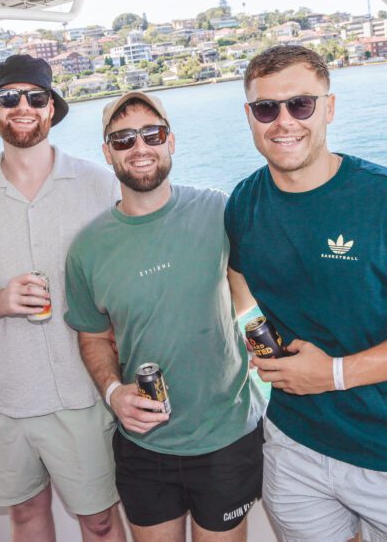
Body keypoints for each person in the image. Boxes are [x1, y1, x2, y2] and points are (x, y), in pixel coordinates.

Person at [225, 45, 387, 542]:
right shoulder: (245, 202)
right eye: (266, 108)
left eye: (301, 104)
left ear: (329, 108)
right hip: (293, 443)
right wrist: (255, 344)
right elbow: (239, 283)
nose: (283, 122)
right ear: (250, 116)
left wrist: (332, 374)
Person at [0, 54, 124, 542]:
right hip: (4, 393)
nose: (24, 107)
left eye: (36, 97)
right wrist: (0, 299)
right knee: (24, 515)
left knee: (100, 521)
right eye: (9, 97)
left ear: (52, 109)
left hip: (83, 392)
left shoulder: (99, 183)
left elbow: (127, 279)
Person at [64, 91, 266, 542]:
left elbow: (252, 289)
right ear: (107, 152)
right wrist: (114, 392)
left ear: (170, 141)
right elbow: (93, 336)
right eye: (122, 139)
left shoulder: (219, 211)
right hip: (144, 445)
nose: (139, 147)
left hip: (226, 436)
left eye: (151, 133)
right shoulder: (87, 248)